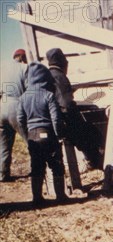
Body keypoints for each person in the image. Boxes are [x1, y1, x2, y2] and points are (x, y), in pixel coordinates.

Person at [17, 62, 68, 206]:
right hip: (49, 134)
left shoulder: (23, 98)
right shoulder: (49, 95)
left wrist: (27, 136)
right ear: (45, 77)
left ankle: (37, 198)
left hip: (33, 135)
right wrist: (58, 135)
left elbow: (20, 120)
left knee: (37, 167)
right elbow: (56, 118)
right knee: (56, 165)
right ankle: (60, 196)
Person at [46, 48, 102, 171]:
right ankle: (97, 162)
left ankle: (92, 160)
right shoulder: (60, 77)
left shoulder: (47, 75)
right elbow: (66, 105)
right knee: (91, 133)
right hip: (63, 121)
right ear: (63, 63)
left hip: (50, 120)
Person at [0, 49, 28, 182]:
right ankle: (39, 170)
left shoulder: (3, 68)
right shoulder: (24, 67)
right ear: (22, 57)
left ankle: (2, 174)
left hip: (2, 105)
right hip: (16, 105)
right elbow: (29, 90)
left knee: (3, 144)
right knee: (30, 140)